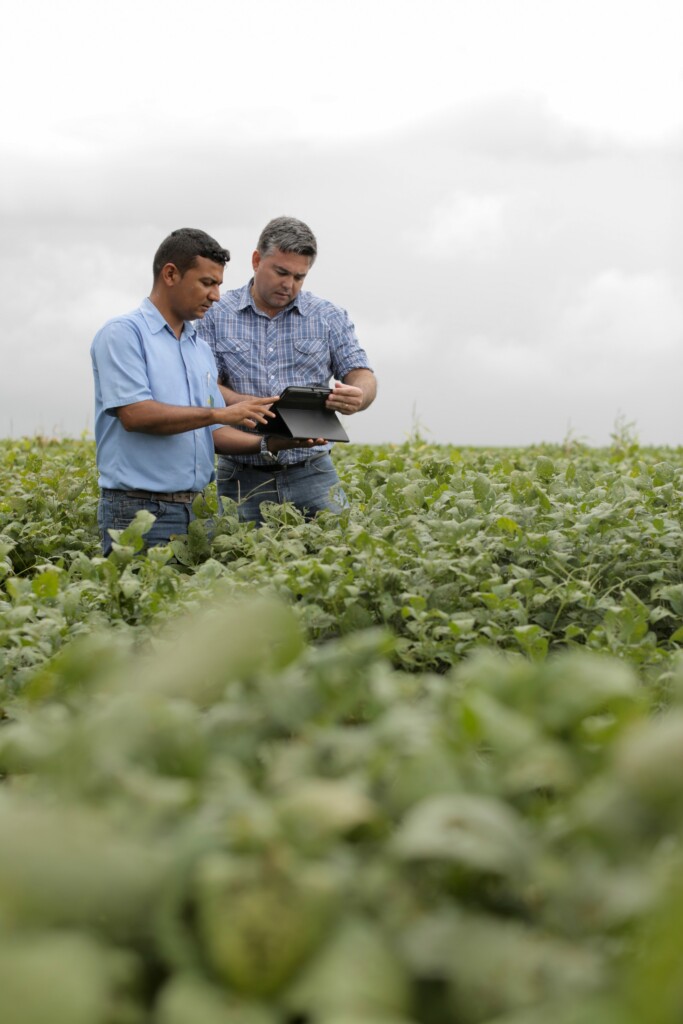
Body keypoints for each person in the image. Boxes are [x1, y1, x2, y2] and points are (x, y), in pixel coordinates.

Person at [90, 227, 320, 554]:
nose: (215, 295)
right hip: (139, 511)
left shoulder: (199, 348)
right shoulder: (123, 335)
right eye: (207, 283)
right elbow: (135, 414)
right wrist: (220, 412)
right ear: (171, 274)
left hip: (197, 511)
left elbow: (211, 432)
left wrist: (273, 442)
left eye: (219, 285)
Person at [196, 216, 376, 523]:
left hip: (313, 472)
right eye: (281, 272)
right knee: (235, 560)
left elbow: (362, 373)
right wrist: (244, 403)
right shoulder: (214, 315)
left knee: (340, 556)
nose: (288, 285)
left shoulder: (327, 316)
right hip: (241, 474)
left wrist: (359, 395)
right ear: (256, 260)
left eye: (299, 277)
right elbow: (204, 384)